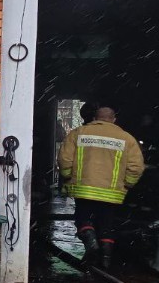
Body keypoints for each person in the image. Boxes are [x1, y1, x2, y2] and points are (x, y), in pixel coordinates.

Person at [58, 105, 145, 269]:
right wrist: (128, 183)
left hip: (84, 189)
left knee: (84, 218)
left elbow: (64, 159)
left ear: (94, 118)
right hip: (111, 194)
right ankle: (105, 261)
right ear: (114, 119)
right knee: (107, 224)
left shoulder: (78, 133)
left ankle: (91, 243)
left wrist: (68, 176)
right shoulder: (127, 139)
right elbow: (136, 167)